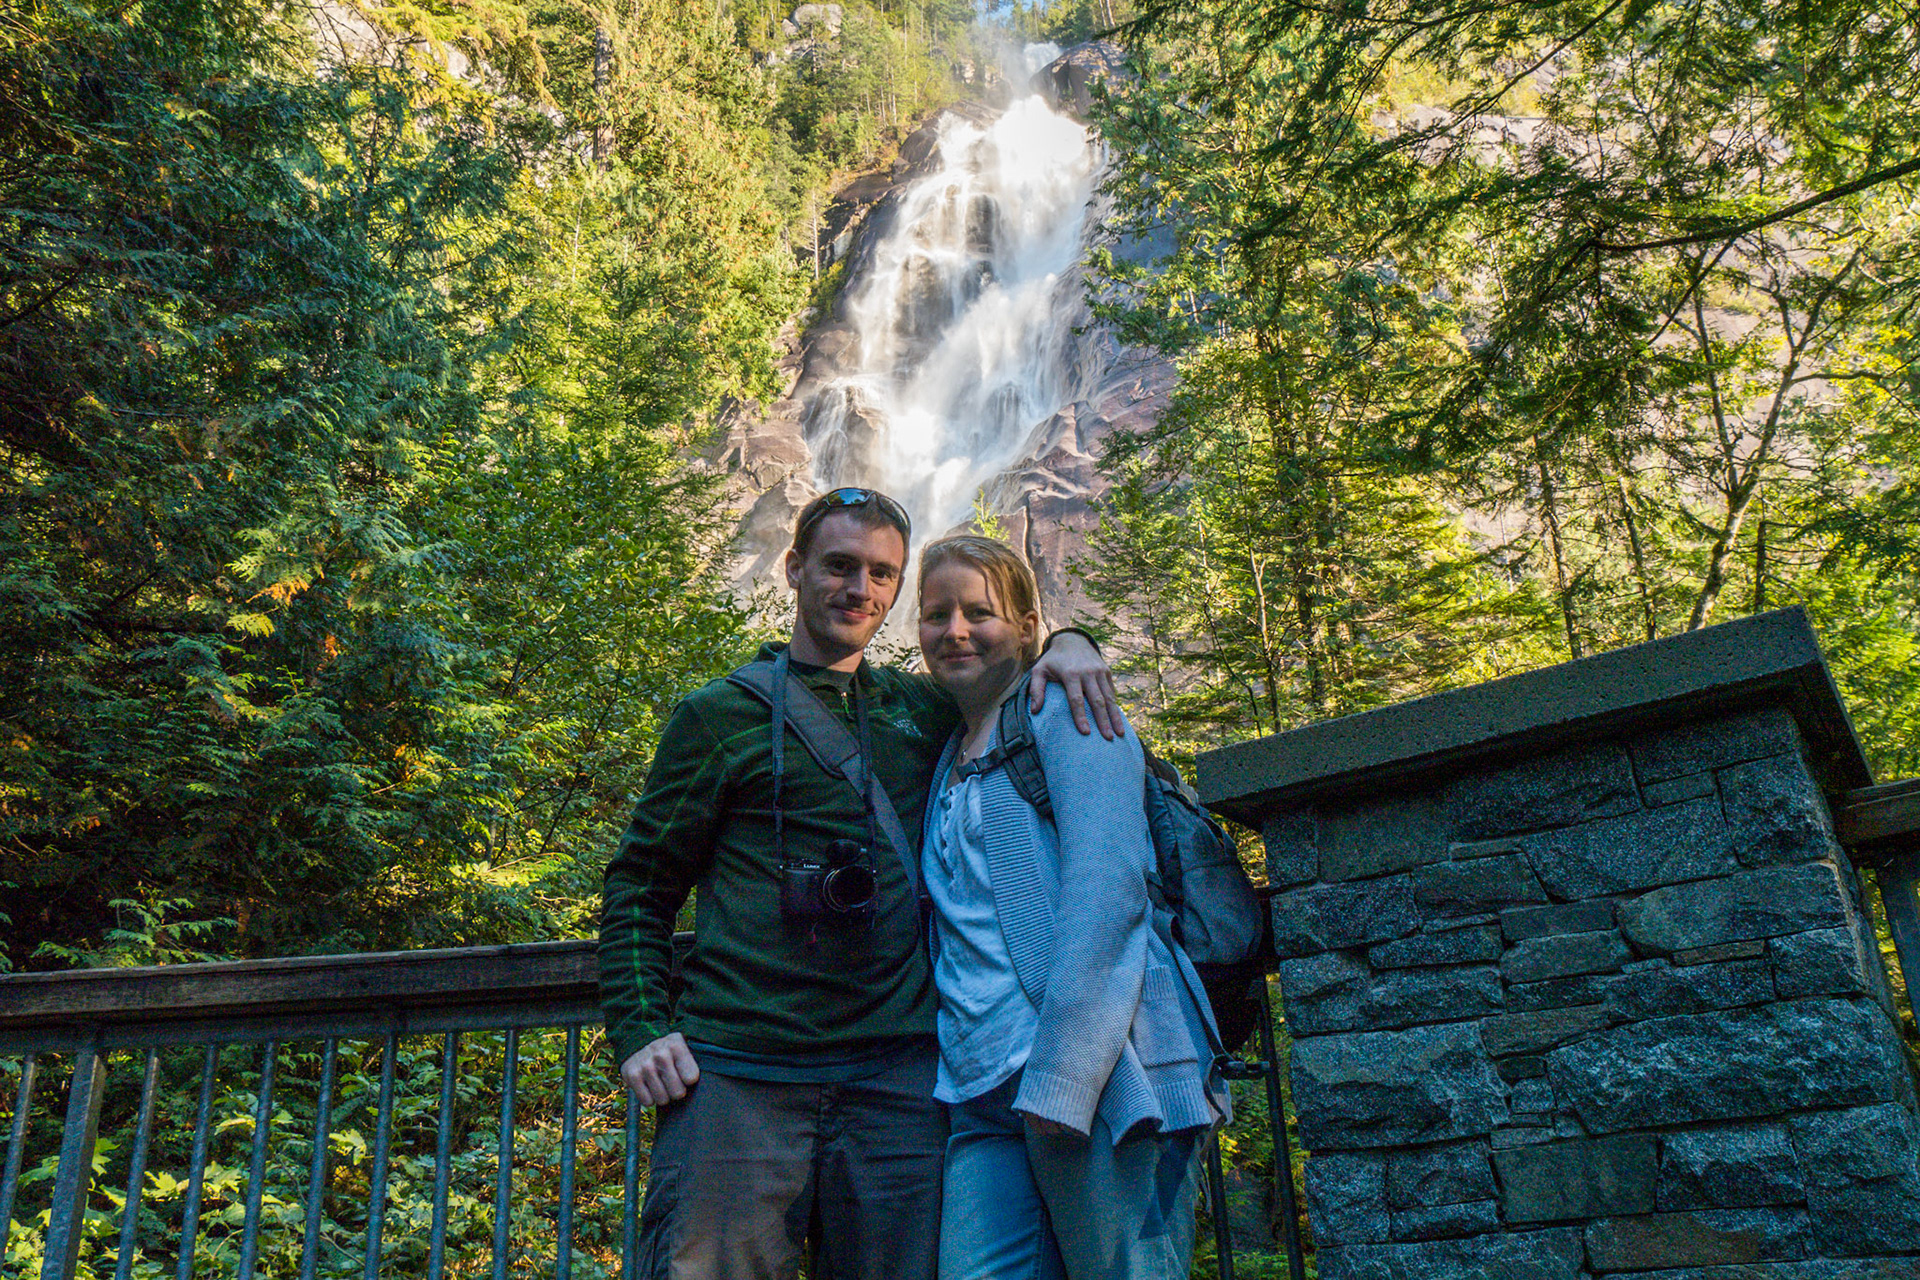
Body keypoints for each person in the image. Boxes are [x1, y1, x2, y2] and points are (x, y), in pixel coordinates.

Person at [598, 488, 1122, 1280]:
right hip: (741, 1074)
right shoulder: (718, 717)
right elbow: (640, 885)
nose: (860, 589)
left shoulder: (924, 710)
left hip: (898, 1083)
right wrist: (640, 1027)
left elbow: (1008, 672)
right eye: (840, 566)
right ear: (794, 568)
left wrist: (1072, 641)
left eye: (882, 574)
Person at [915, 534, 1228, 1280]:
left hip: (1099, 1076)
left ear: (1028, 627)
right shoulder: (946, 751)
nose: (955, 630)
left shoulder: (1066, 711)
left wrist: (1066, 1073)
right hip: (978, 1088)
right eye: (936, 614)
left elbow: (1109, 893)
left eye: (979, 613)